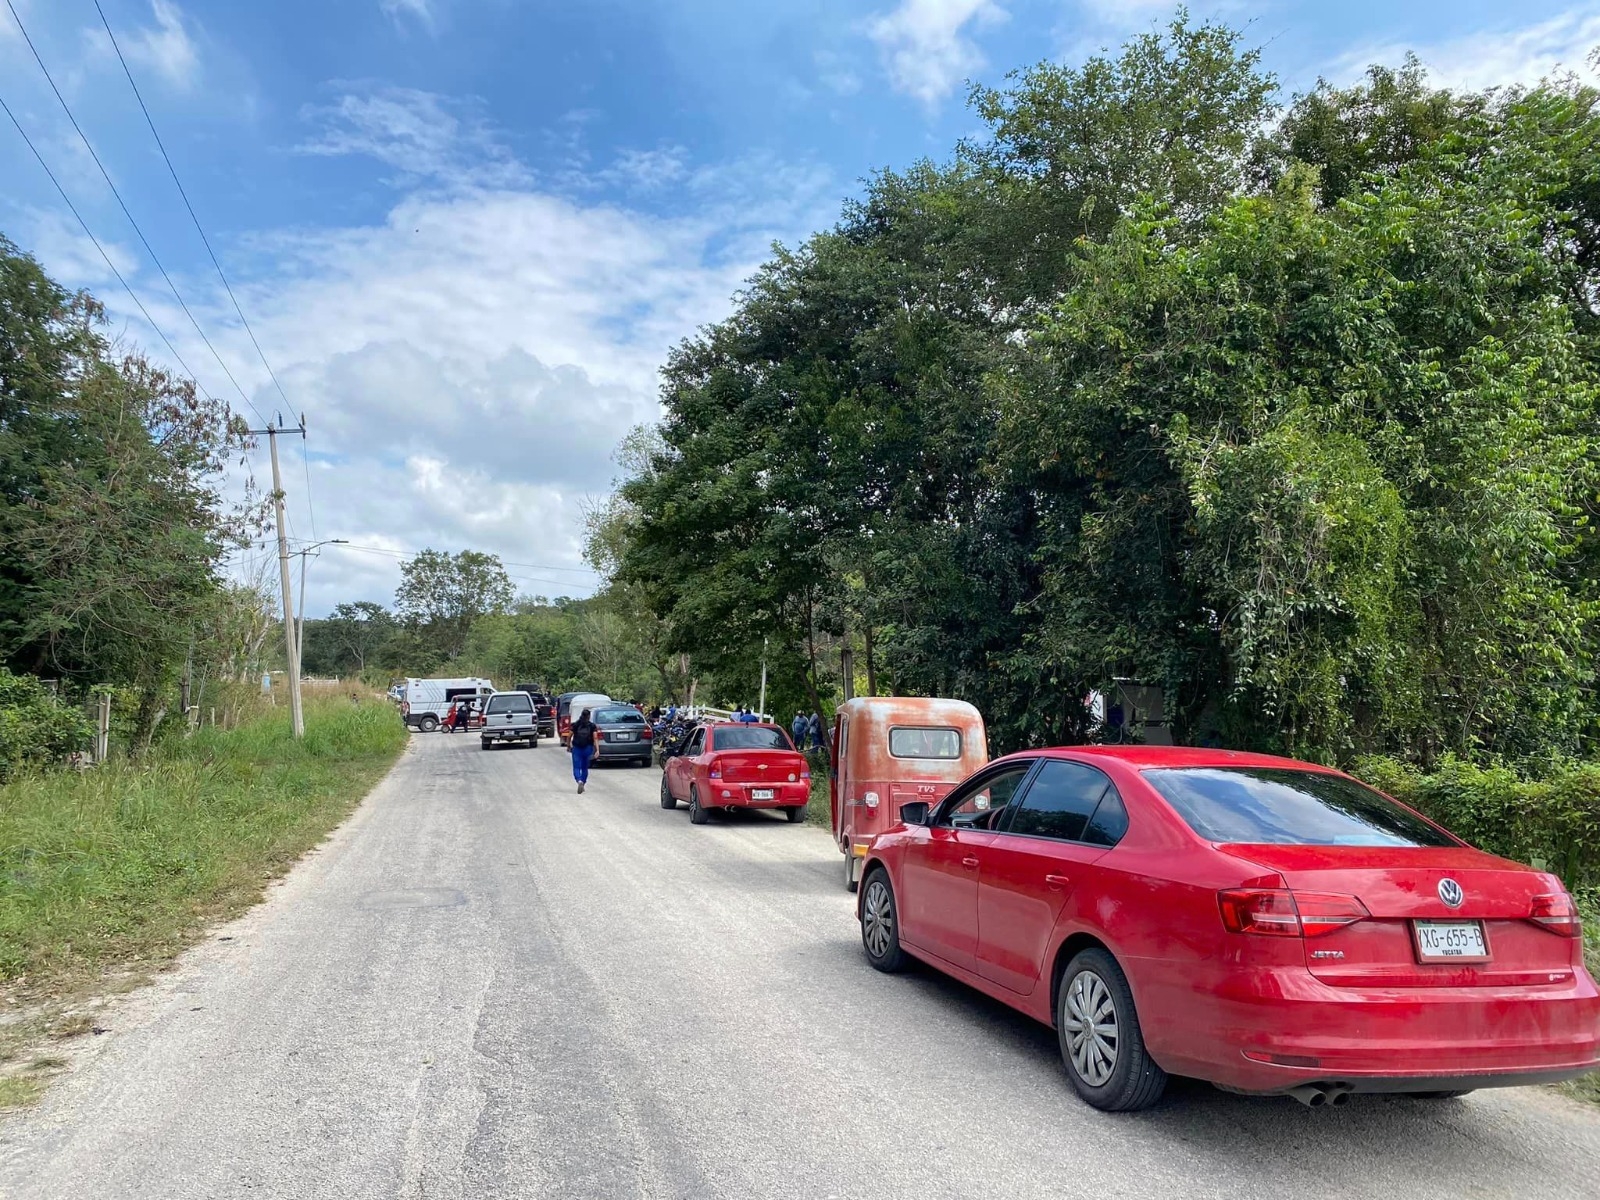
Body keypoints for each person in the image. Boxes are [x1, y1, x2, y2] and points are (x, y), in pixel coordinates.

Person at [569, 707, 598, 794]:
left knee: (576, 767)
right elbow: (595, 738)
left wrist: (568, 745)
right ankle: (583, 782)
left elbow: (569, 736)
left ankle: (579, 781)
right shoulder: (592, 726)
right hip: (588, 748)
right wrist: (597, 750)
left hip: (577, 748)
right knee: (584, 767)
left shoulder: (575, 725)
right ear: (589, 717)